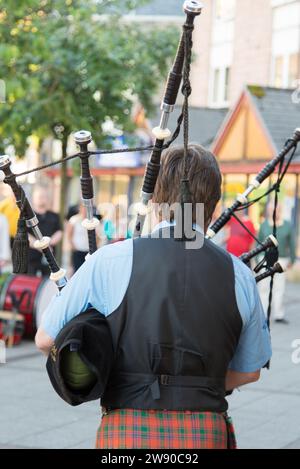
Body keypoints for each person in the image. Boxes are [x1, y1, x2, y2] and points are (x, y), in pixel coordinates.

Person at [35, 144, 271, 450]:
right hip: (205, 431)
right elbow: (249, 370)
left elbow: (45, 338)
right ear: (213, 205)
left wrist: (106, 375)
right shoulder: (239, 274)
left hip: (126, 430)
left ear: (156, 201)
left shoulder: (110, 260)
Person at [258, 202, 296, 324]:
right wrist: (257, 258)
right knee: (263, 287)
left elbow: (292, 244)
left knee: (279, 287)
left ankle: (278, 314)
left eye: (277, 209)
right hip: (265, 258)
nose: (274, 212)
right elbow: (258, 242)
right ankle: (263, 312)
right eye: (271, 209)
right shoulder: (264, 225)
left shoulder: (287, 225)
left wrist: (292, 259)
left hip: (282, 259)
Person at [28, 186, 62, 276]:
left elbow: (59, 232)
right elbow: (25, 235)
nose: (42, 199)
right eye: (40, 197)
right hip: (31, 258)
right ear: (34, 199)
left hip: (50, 257)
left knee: (48, 283)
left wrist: (48, 244)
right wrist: (40, 246)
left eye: (45, 197)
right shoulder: (26, 217)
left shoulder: (54, 215)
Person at [67, 203, 102, 273]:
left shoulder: (94, 221)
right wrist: (73, 246)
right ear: (80, 208)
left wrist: (94, 247)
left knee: (88, 271)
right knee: (77, 271)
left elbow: (98, 236)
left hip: (89, 251)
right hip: (77, 251)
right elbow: (69, 234)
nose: (85, 210)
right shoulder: (74, 219)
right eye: (83, 208)